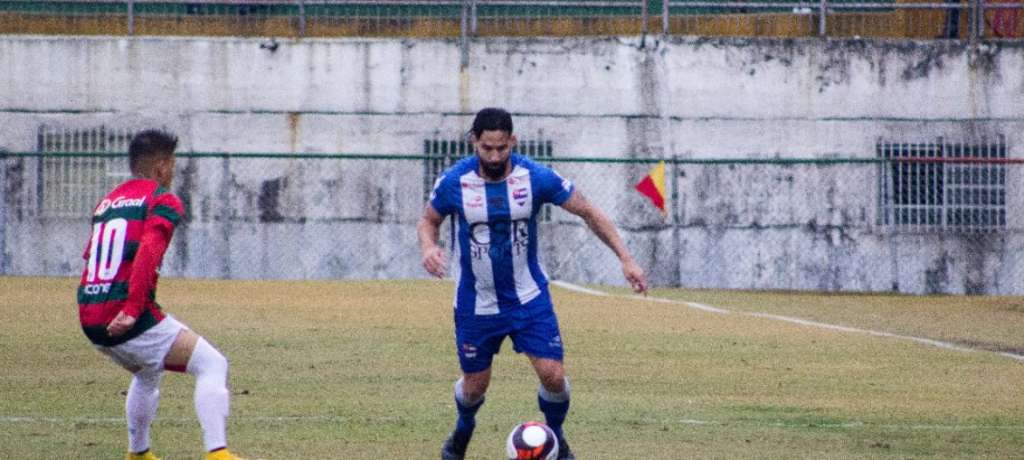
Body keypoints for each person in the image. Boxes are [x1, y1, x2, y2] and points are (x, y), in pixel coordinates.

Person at [418, 108, 648, 460]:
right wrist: (429, 247)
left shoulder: (535, 177)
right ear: (473, 143)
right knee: (475, 386)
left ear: (513, 141)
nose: (494, 156)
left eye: (501, 148)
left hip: (528, 297)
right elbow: (428, 221)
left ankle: (555, 438)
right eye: (486, 149)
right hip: (476, 301)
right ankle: (463, 429)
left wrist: (625, 258)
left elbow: (587, 210)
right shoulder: (454, 182)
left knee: (553, 376)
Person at [77, 130, 245, 460]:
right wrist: (132, 308)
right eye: (173, 166)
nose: (173, 173)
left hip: (89, 311)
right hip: (126, 313)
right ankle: (218, 453)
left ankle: (138, 454)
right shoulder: (161, 199)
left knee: (147, 372)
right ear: (162, 166)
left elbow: (90, 256)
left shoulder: (107, 202)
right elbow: (148, 251)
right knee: (212, 363)